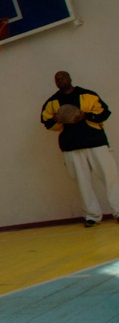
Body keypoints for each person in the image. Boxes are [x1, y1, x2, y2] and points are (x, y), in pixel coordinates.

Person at [40, 71, 119, 227]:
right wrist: (56, 119)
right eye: (57, 79)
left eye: (63, 77)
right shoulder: (52, 102)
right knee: (82, 183)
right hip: (71, 147)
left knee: (110, 178)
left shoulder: (87, 95)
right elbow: (47, 122)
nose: (60, 80)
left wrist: (85, 116)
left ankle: (118, 211)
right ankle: (92, 215)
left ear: (70, 78)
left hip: (96, 142)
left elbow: (104, 113)